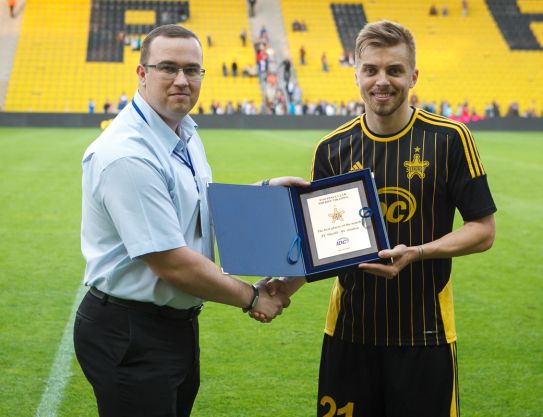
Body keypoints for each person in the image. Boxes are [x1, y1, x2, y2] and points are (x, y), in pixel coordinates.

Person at [262, 20, 496, 417]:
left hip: (426, 336)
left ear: (413, 75)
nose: (381, 81)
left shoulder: (450, 139)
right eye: (370, 69)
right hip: (349, 336)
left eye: (394, 70)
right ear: (356, 74)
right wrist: (282, 290)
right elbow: (324, 242)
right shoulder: (332, 149)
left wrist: (419, 252)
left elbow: (483, 231)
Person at [73, 24, 307, 417]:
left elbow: (194, 208)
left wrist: (264, 189)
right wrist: (252, 297)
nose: (182, 80)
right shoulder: (128, 154)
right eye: (168, 67)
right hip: (131, 331)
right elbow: (172, 263)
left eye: (192, 69)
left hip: (171, 325)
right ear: (142, 73)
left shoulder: (182, 132)